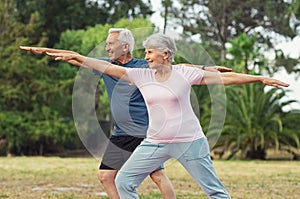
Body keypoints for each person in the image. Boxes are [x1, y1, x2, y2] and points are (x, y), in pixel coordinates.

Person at [22, 32, 289, 198]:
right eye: (146, 52)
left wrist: (259, 78)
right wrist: (68, 55)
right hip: (155, 142)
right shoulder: (141, 75)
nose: (146, 56)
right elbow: (98, 64)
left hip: (189, 141)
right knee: (125, 182)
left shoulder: (185, 72)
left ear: (166, 54)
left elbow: (223, 79)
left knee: (215, 191)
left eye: (150, 52)